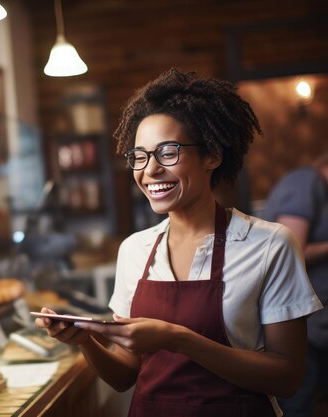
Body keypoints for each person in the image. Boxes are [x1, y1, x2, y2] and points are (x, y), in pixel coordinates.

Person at [34, 68, 323, 417]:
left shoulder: (270, 245)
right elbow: (126, 375)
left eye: (167, 152)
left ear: (212, 155)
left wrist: (178, 339)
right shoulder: (134, 250)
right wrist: (85, 342)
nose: (149, 170)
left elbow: (287, 378)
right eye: (139, 156)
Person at [262, 153, 328, 417]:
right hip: (305, 327)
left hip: (318, 324)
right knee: (297, 406)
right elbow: (293, 250)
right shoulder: (306, 181)